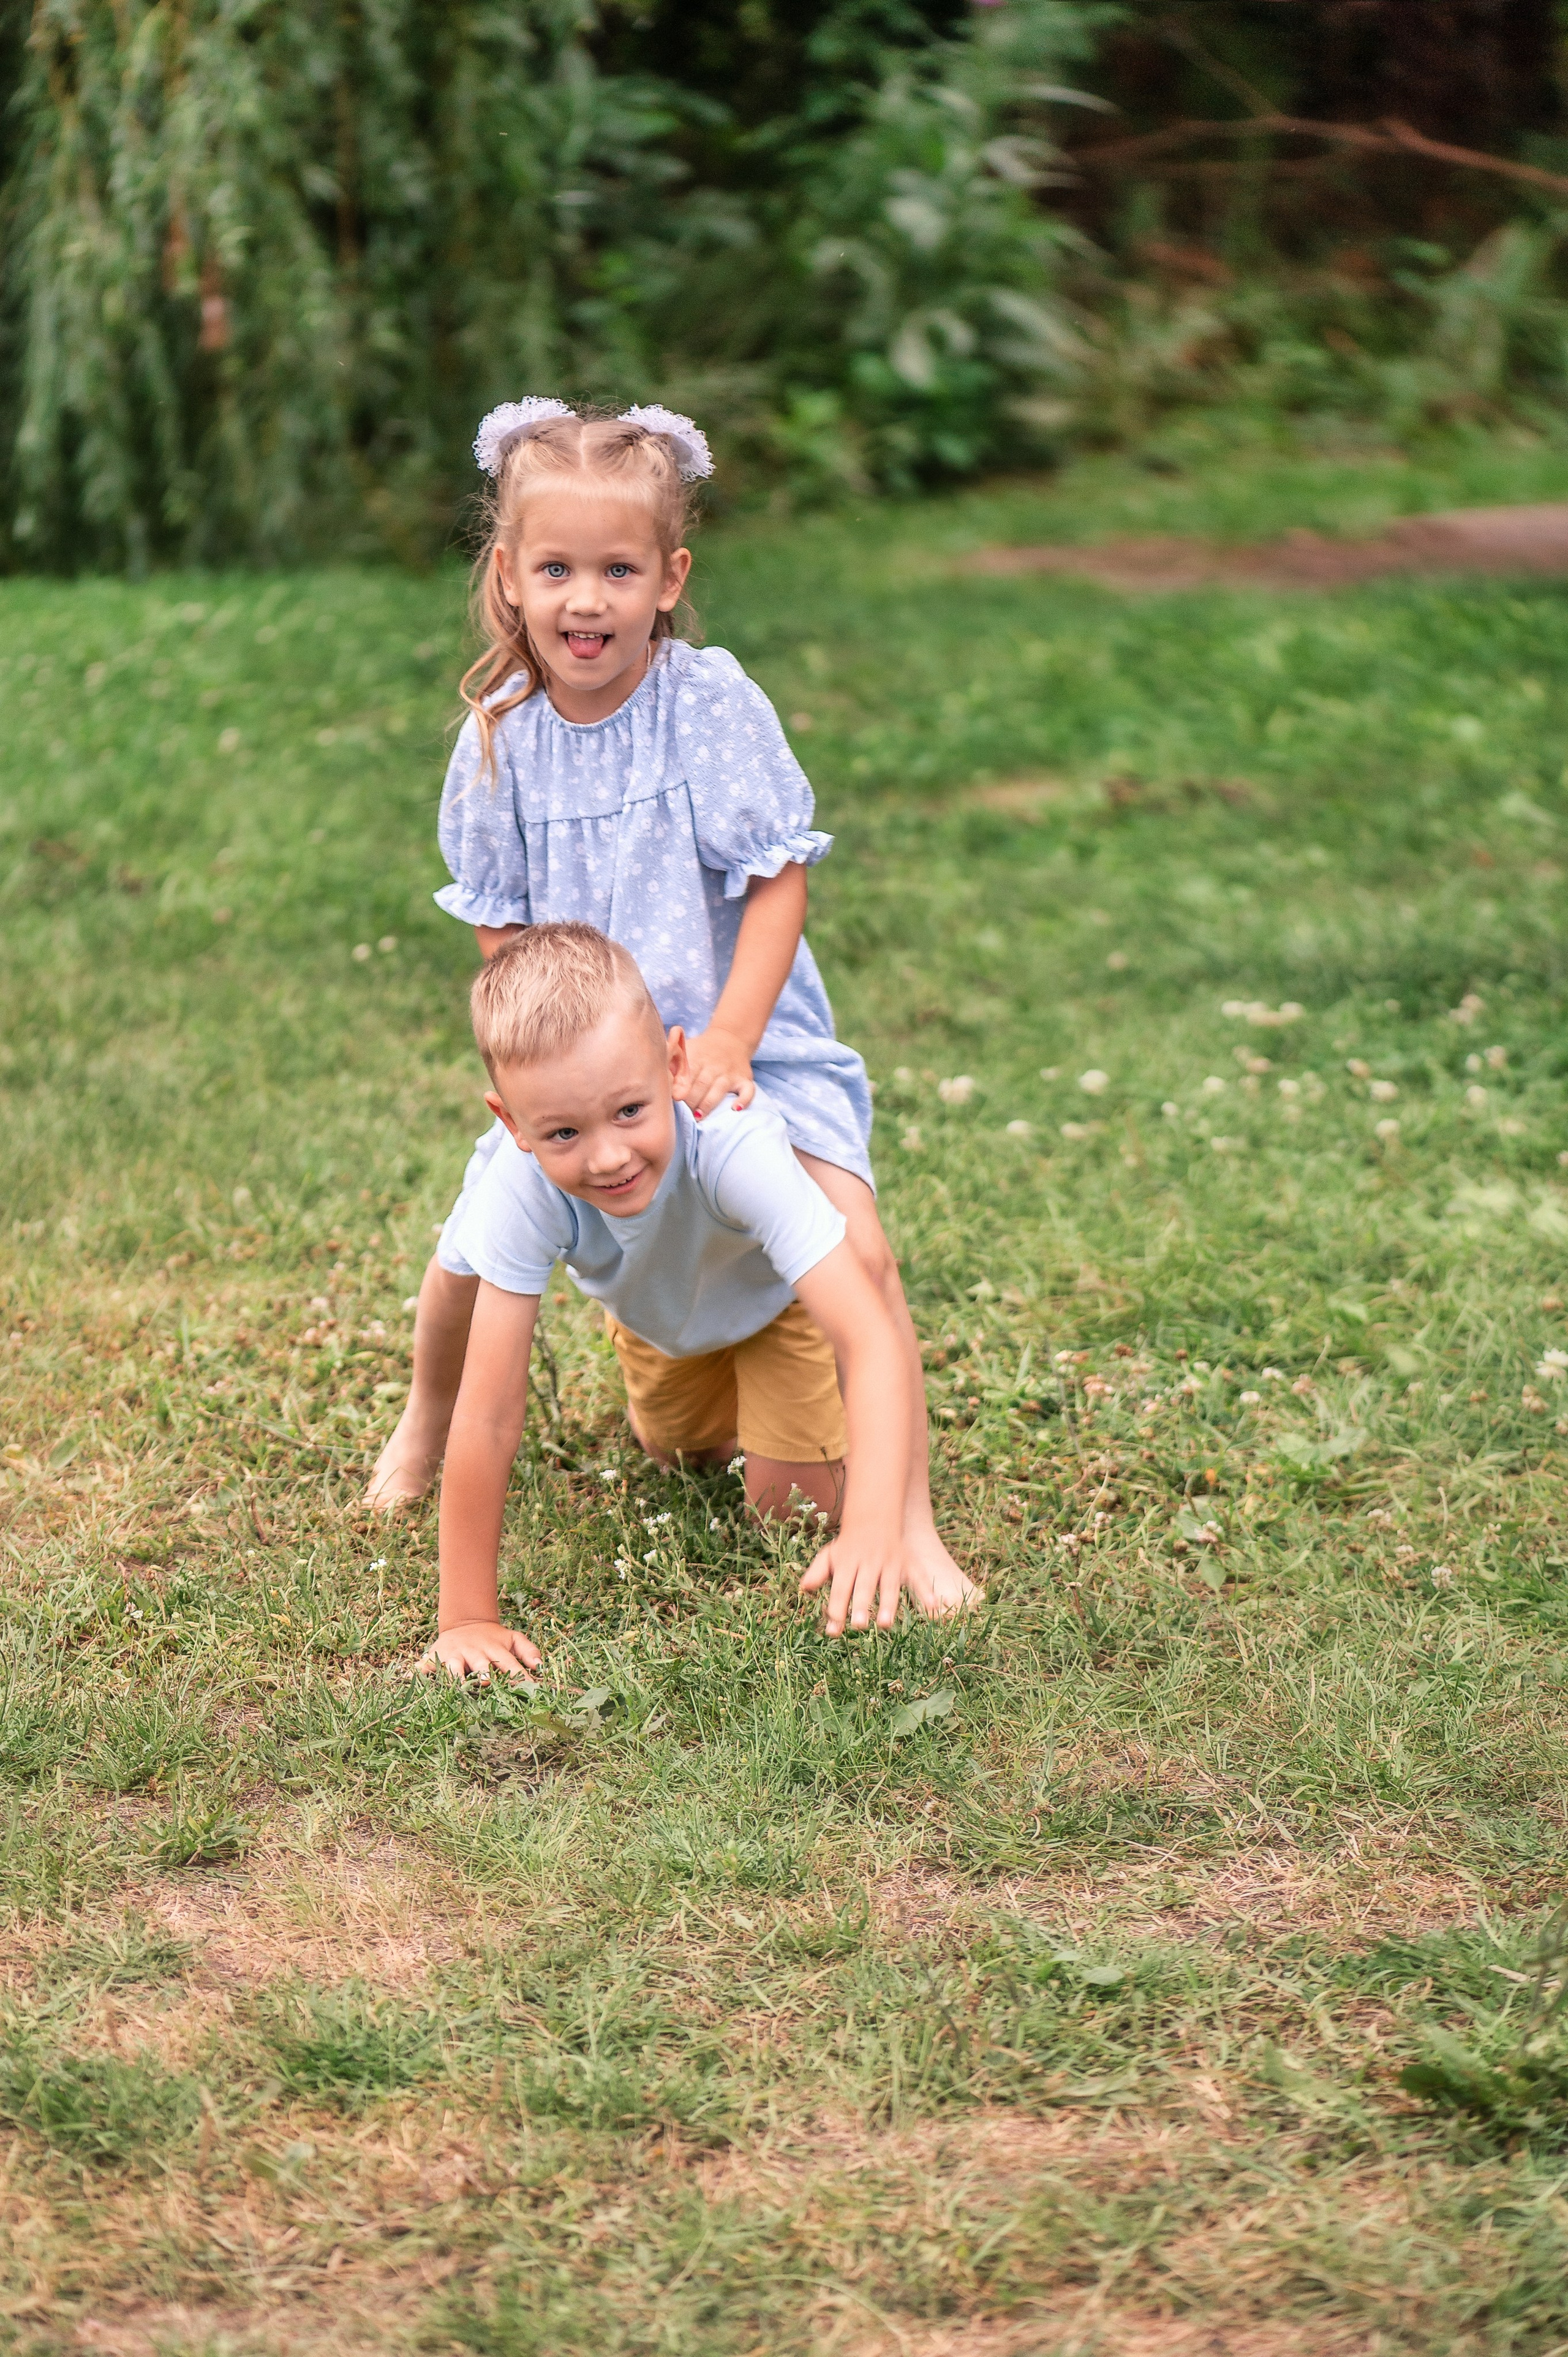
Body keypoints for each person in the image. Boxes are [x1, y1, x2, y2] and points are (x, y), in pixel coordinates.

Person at [370, 394, 971, 1615]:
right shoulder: (497, 737)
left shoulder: (706, 706)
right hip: (586, 1068)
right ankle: (425, 1422)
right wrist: (539, 1051)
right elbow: (501, 921)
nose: (584, 599)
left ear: (666, 577)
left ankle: (903, 1525)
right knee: (465, 1263)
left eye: (616, 569)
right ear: (508, 575)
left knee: (852, 1243)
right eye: (556, 568)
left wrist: (736, 1040)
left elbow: (776, 878)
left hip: (731, 1041)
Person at [426, 924, 976, 1679]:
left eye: (628, 1111)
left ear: (674, 1063)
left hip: (775, 1312)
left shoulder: (735, 1146)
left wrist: (875, 1526)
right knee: (677, 1456)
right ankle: (713, 1405)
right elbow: (488, 1411)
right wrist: (465, 1616)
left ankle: (804, 1430)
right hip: (663, 1323)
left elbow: (869, 1337)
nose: (608, 1155)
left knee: (789, 1512)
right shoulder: (519, 1190)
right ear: (510, 1123)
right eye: (562, 1131)